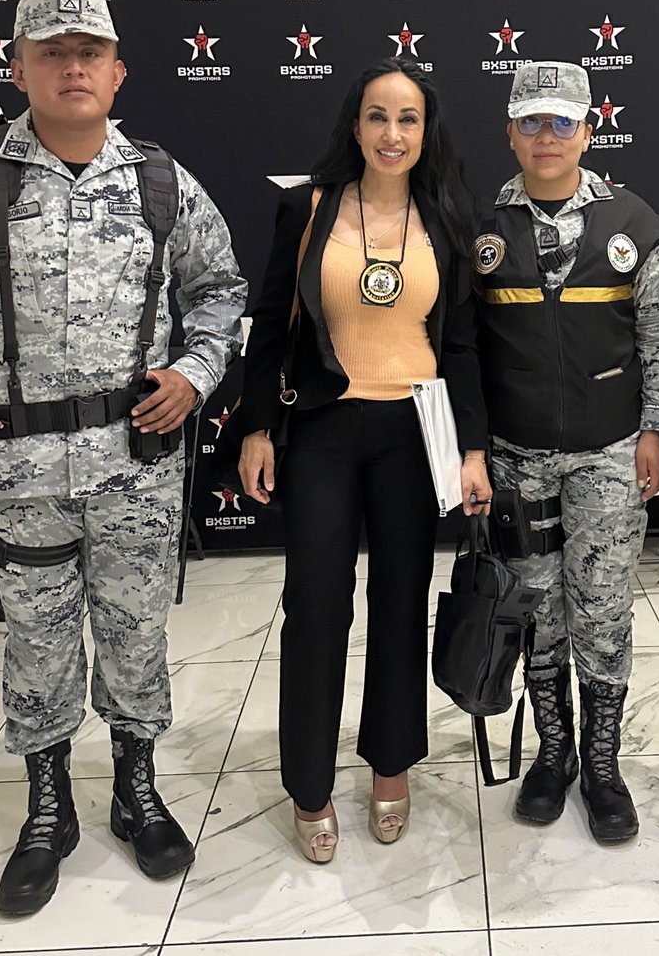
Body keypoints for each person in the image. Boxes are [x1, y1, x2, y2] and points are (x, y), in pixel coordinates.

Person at [0, 0, 247, 915]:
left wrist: (195, 372)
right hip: (15, 471)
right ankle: (46, 803)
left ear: (119, 69)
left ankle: (136, 788)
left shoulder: (160, 180)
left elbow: (221, 291)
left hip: (135, 464)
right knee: (39, 643)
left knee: (137, 631)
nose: (74, 66)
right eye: (52, 51)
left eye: (91, 50)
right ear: (17, 68)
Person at [238, 57, 489, 864]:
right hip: (323, 427)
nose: (392, 133)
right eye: (378, 116)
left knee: (400, 601)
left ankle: (390, 764)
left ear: (426, 132)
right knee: (316, 606)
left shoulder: (446, 216)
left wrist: (471, 450)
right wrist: (253, 428)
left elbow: (458, 345)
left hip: (420, 427)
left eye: (407, 119)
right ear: (355, 124)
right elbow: (270, 325)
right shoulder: (308, 209)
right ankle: (309, 783)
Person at [473, 61, 659, 843]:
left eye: (563, 122)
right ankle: (553, 754)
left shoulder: (634, 223)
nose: (547, 136)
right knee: (538, 611)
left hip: (610, 454)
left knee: (602, 610)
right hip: (517, 458)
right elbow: (464, 347)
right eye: (531, 121)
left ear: (590, 130)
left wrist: (657, 427)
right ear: (511, 133)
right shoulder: (482, 228)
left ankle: (601, 761)